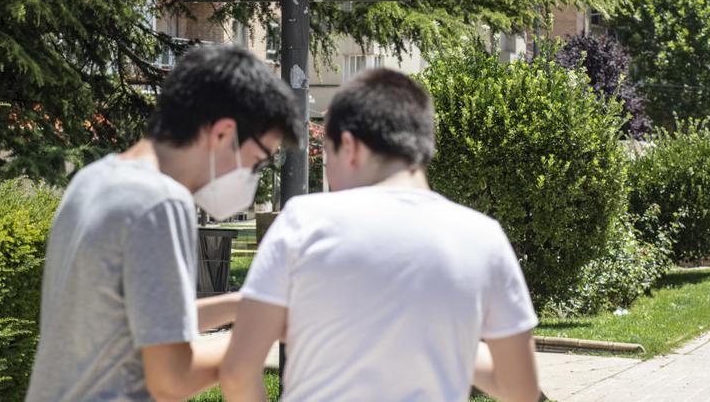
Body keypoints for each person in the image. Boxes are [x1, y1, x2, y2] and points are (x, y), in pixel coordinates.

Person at [220, 68, 540, 402]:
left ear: (349, 145)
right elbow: (520, 389)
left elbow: (238, 371)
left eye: (327, 155)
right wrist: (445, 341)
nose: (327, 171)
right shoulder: (483, 237)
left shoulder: (303, 222)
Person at [25, 45, 300, 402]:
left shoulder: (96, 180)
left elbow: (143, 322)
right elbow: (170, 379)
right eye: (259, 160)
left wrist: (245, 306)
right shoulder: (161, 201)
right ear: (222, 134)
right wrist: (256, 334)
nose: (254, 175)